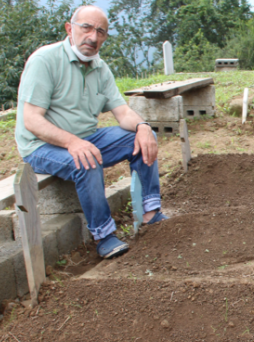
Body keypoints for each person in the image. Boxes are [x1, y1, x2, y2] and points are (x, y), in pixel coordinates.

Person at [15, 5, 167, 259]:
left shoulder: (99, 68)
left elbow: (123, 113)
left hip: (85, 138)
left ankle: (150, 213)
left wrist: (143, 127)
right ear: (69, 29)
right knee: (86, 160)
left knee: (140, 139)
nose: (93, 37)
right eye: (86, 28)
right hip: (41, 146)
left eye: (101, 32)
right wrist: (72, 142)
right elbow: (32, 121)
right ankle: (103, 235)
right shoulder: (45, 60)